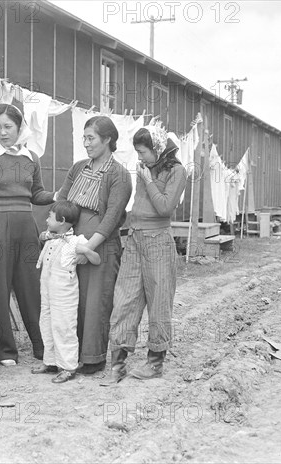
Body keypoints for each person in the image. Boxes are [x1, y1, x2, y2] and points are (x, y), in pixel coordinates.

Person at [102, 124, 187, 385]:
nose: (140, 158)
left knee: (159, 300)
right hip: (135, 239)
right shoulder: (143, 169)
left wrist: (149, 181)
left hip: (158, 241)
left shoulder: (177, 171)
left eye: (143, 152)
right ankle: (118, 364)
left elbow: (164, 208)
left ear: (157, 149)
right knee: (125, 299)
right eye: (137, 153)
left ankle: (155, 362)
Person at [0, 103, 55, 366]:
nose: (3, 133)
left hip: (26, 226)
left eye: (8, 127)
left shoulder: (32, 158)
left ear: (19, 127)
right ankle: (6, 351)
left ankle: (43, 347)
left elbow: (37, 194)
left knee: (32, 287)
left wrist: (57, 196)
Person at [56, 116, 132, 375]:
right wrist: (62, 237)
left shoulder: (119, 175)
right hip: (71, 241)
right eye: (84, 138)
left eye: (92, 138)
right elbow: (63, 201)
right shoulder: (79, 168)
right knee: (70, 299)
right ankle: (68, 354)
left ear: (108, 139)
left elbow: (111, 216)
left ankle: (93, 358)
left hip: (101, 245)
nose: (86, 144)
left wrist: (88, 247)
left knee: (95, 302)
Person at [31, 200, 101, 383]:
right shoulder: (51, 237)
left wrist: (85, 250)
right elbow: (41, 236)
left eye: (50, 217)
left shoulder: (76, 241)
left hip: (64, 295)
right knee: (46, 322)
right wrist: (46, 236)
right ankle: (51, 361)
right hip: (46, 289)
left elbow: (96, 260)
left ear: (61, 220)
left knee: (64, 327)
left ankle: (68, 366)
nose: (46, 220)